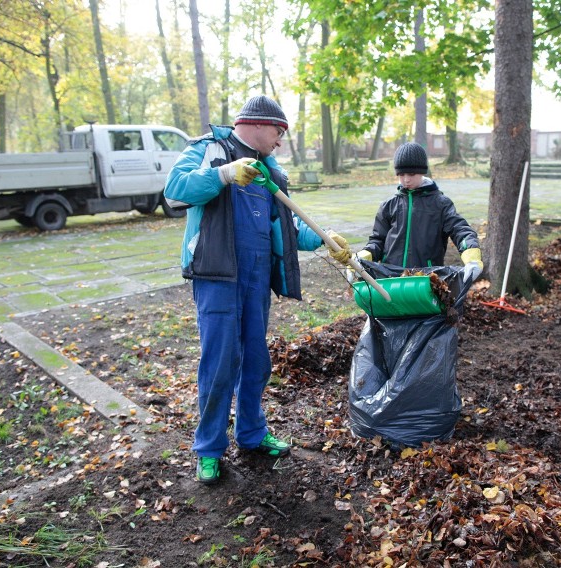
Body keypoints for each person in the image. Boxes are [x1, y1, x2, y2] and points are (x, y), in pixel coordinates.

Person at [163, 95, 350, 485]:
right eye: (279, 132)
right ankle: (209, 449)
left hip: (255, 278)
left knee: (256, 362)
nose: (281, 141)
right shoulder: (210, 149)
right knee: (219, 364)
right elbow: (175, 191)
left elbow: (284, 225)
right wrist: (224, 175)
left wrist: (323, 238)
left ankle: (250, 433)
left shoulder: (271, 171)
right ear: (261, 125)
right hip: (217, 275)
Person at [355, 142, 482, 279]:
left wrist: (472, 257)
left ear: (422, 172)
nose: (406, 180)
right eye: (401, 174)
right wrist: (364, 255)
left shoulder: (441, 204)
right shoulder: (389, 206)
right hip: (391, 278)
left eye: (411, 174)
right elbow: (377, 241)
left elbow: (461, 230)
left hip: (426, 278)